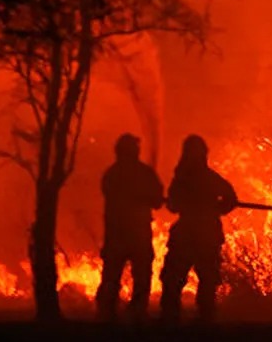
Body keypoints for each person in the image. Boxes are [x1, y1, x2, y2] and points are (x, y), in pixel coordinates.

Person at [160, 134, 238, 324]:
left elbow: (173, 206)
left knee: (176, 278)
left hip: (188, 234)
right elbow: (230, 199)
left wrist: (213, 209)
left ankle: (172, 319)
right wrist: (217, 210)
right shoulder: (210, 178)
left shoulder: (182, 180)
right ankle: (205, 318)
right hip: (205, 235)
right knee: (205, 279)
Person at [96, 133, 164, 322]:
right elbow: (157, 201)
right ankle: (135, 311)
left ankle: (108, 313)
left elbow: (155, 199)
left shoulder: (111, 174)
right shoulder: (143, 173)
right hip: (135, 234)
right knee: (139, 275)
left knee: (113, 275)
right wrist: (147, 196)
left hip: (118, 234)